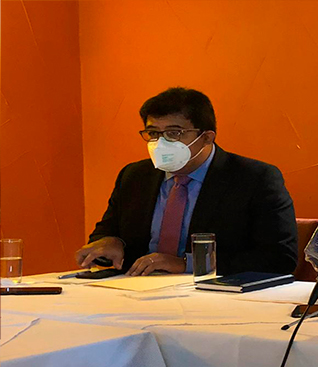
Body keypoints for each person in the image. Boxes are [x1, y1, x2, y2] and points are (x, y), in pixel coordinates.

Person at [76, 87, 298, 276]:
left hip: (214, 297)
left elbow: (279, 258)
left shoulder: (254, 178)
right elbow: (105, 234)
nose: (161, 143)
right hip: (136, 292)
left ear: (207, 137)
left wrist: (186, 264)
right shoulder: (135, 176)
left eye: (174, 133)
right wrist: (111, 243)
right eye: (153, 133)